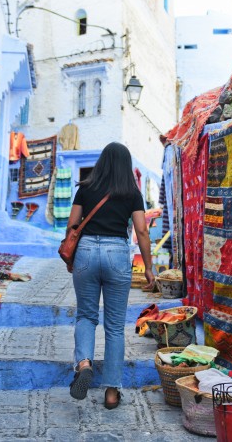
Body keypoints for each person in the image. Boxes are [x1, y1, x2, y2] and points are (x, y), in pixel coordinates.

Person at [66, 142, 155, 410]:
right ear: (126, 166)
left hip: (86, 252)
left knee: (86, 315)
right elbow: (141, 231)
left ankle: (83, 364)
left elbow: (72, 225)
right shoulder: (132, 192)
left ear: (102, 162)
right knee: (115, 326)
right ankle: (112, 393)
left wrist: (72, 257)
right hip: (117, 253)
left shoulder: (86, 188)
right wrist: (149, 267)